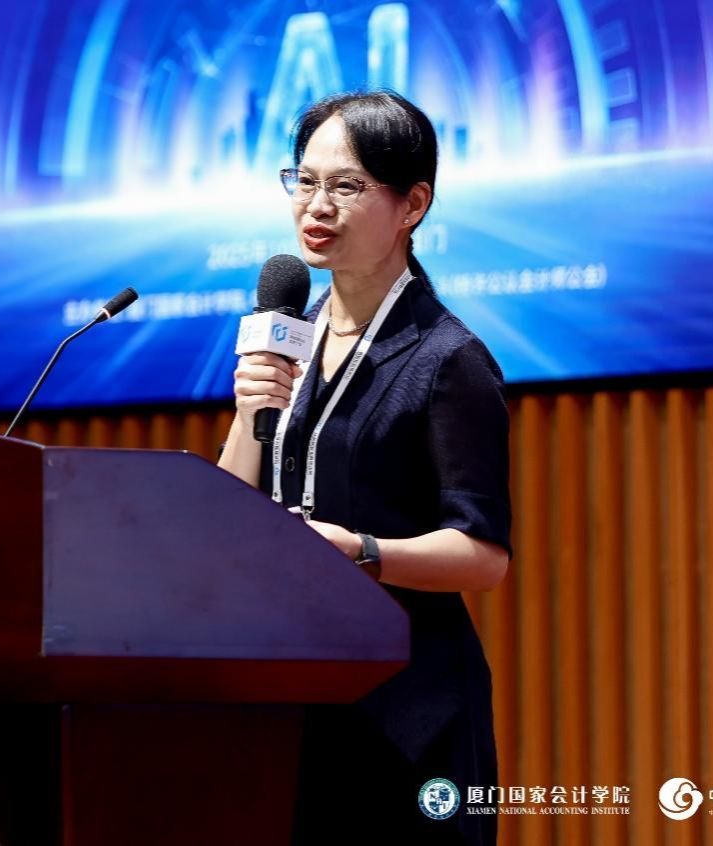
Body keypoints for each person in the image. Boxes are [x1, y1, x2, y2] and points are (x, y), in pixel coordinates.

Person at [217, 91, 512, 845]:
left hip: (410, 711)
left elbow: (484, 556)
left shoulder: (449, 358)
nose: (317, 206)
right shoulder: (292, 333)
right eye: (305, 181)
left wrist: (363, 551)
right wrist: (251, 407)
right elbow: (228, 510)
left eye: (346, 186)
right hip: (296, 694)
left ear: (412, 204)